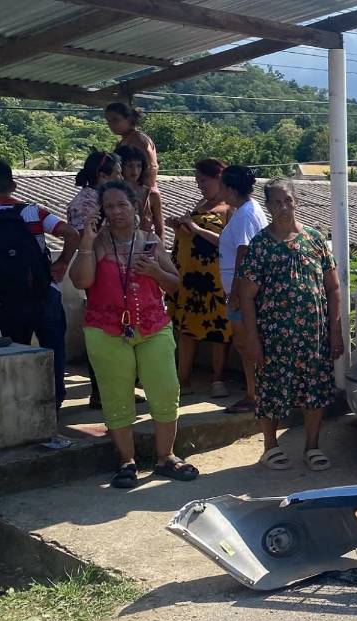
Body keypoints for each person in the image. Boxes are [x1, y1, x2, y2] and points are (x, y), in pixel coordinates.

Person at [68, 181, 196, 489]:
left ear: (133, 207)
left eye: (121, 205)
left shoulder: (150, 240)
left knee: (165, 390)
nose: (115, 212)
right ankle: (127, 461)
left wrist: (154, 272)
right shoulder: (97, 244)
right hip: (106, 329)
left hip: (152, 326)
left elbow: (175, 284)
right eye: (109, 207)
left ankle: (166, 457)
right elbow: (81, 280)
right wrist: (86, 240)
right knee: (116, 395)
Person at [240, 178, 342, 471]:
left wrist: (335, 331)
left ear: (296, 201)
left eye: (288, 200)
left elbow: (333, 288)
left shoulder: (314, 239)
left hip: (313, 334)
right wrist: (252, 338)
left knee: (315, 388)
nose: (283, 207)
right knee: (271, 388)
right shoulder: (260, 245)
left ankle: (312, 446)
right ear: (269, 206)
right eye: (276, 202)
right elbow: (246, 297)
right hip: (274, 335)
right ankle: (270, 447)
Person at [0, 160, 79, 410]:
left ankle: (20, 407)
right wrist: (63, 262)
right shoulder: (32, 212)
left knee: (17, 356)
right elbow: (72, 233)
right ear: (12, 185)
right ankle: (54, 404)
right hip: (45, 293)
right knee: (53, 352)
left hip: (7, 299)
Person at [165, 159, 232, 399]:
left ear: (218, 179)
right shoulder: (201, 203)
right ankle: (183, 379)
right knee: (186, 329)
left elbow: (225, 241)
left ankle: (217, 379)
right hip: (189, 277)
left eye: (204, 180)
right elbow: (191, 234)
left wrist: (193, 227)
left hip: (215, 278)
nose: (200, 185)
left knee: (218, 331)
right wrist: (179, 228)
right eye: (197, 181)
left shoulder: (228, 208)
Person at [67, 149, 122, 409]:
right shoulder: (89, 203)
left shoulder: (95, 200)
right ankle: (102, 392)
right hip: (99, 273)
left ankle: (110, 390)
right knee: (104, 331)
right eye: (117, 173)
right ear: (102, 175)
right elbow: (88, 240)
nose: (121, 177)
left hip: (106, 271)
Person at [218, 166, 267, 414]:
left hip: (245, 293)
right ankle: (255, 391)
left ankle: (254, 394)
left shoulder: (246, 214)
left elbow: (244, 251)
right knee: (244, 343)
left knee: (246, 343)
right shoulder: (245, 211)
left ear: (230, 188)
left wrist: (237, 292)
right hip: (244, 291)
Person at [114, 144, 163, 241]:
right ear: (120, 166)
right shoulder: (111, 194)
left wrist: (160, 249)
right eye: (130, 166)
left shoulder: (151, 195)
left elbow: (159, 227)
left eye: (138, 166)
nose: (135, 170)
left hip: (143, 245)